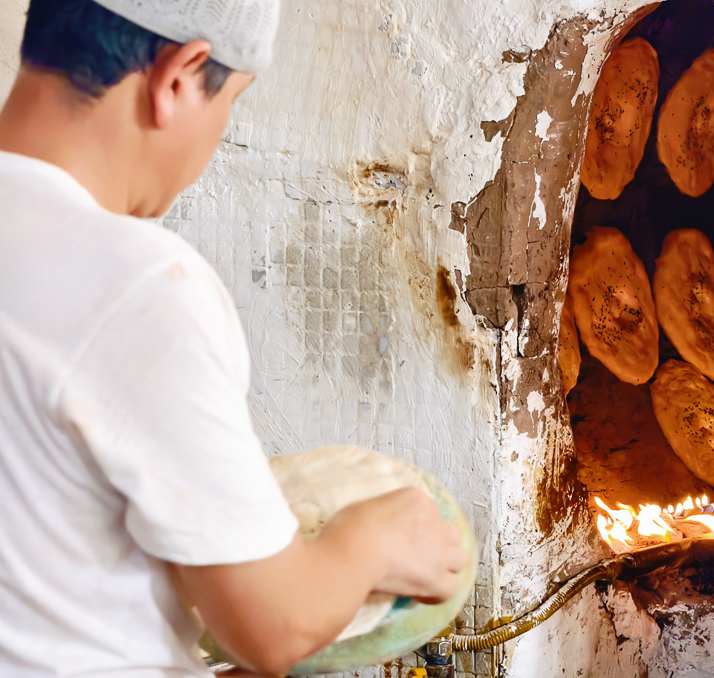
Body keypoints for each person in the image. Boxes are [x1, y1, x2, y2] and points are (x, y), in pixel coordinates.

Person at [0, 0, 466, 676]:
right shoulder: (139, 285)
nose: (217, 136)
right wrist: (369, 539)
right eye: (231, 106)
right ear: (181, 75)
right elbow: (274, 627)